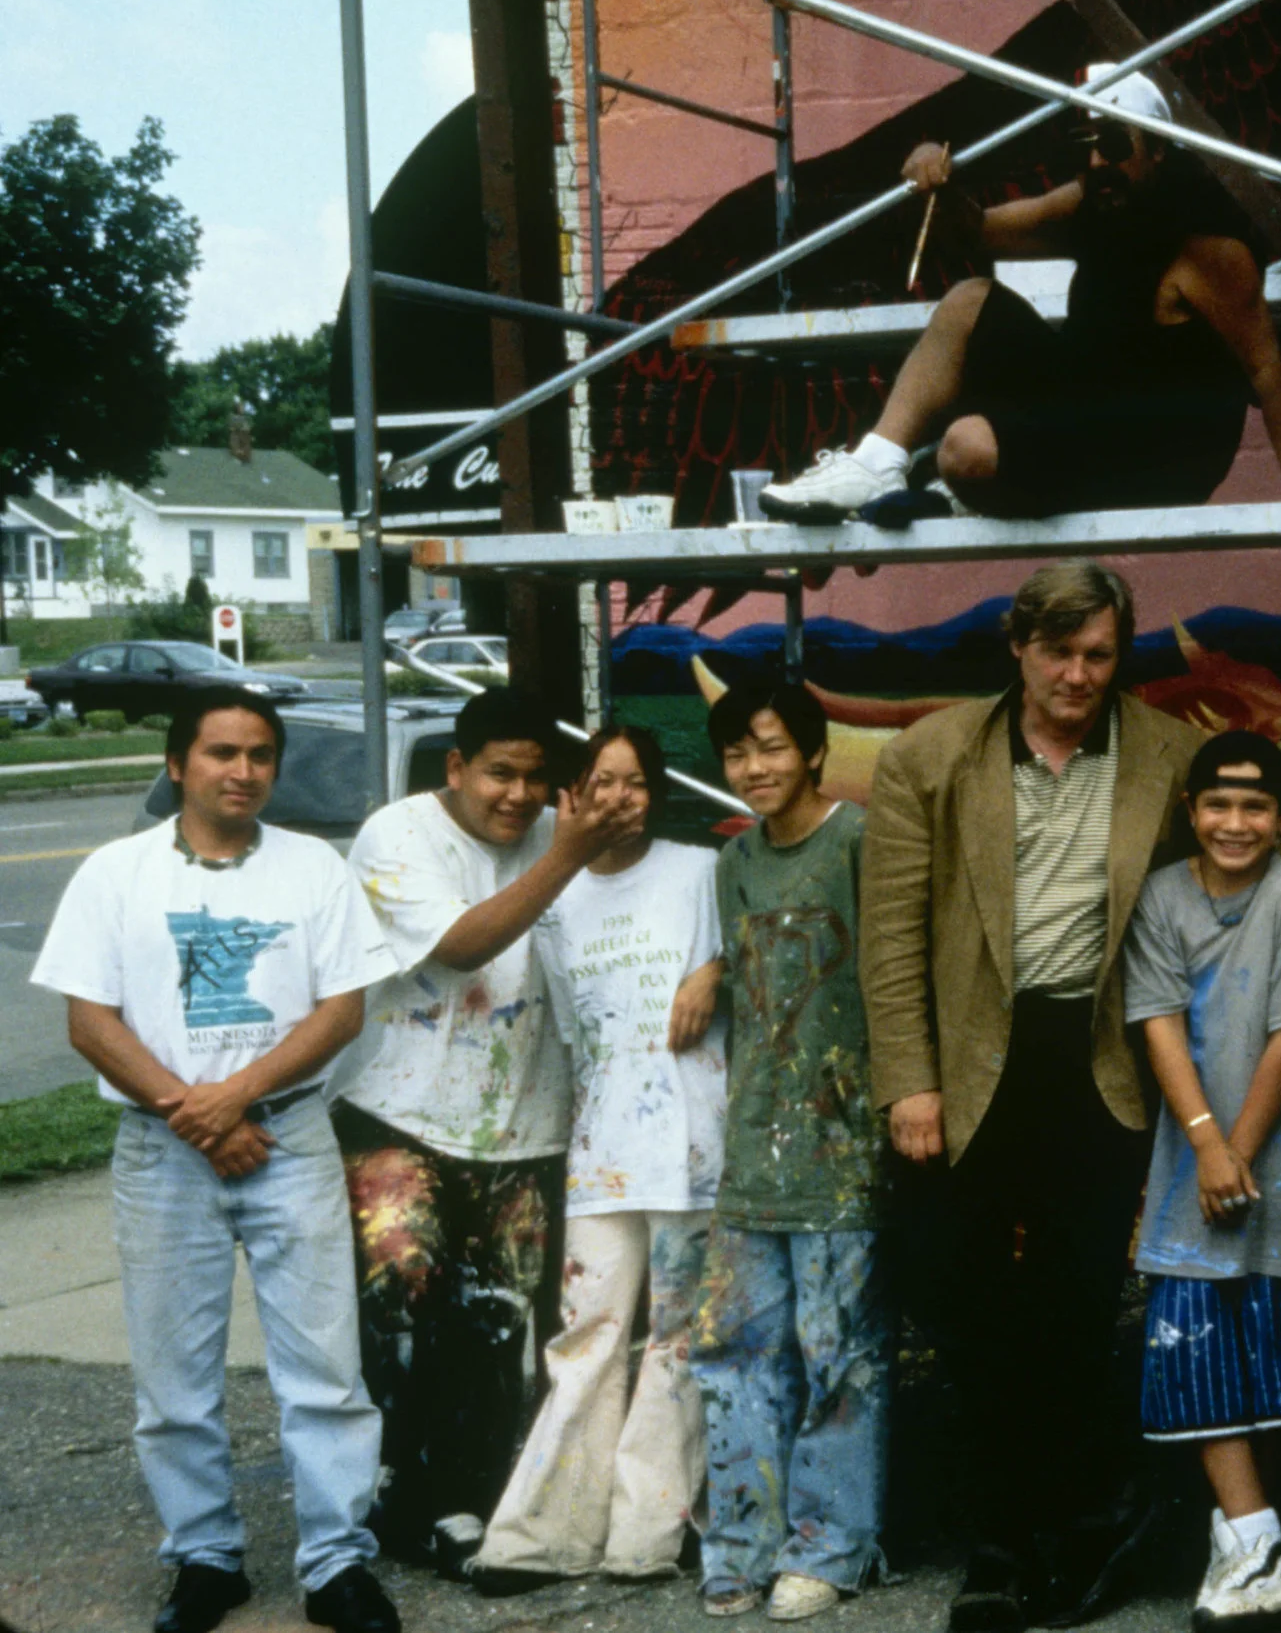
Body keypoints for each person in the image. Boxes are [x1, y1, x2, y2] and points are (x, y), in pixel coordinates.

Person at [862, 560, 1205, 1631]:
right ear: (1018, 646)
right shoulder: (930, 756)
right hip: (967, 1058)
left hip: (1097, 1061)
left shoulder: (1170, 753)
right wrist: (909, 1084)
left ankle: (1041, 1546)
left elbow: (1235, 868)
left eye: (1098, 654)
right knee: (956, 1298)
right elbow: (890, 936)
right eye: (1057, 651)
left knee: (1071, 1309)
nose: (1077, 674)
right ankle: (1019, 1531)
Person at [31, 687, 403, 1633]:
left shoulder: (311, 870)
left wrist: (237, 1098)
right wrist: (196, 1115)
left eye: (260, 756)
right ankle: (204, 1557)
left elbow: (341, 1010)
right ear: (177, 764)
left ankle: (336, 1565)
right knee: (173, 1375)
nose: (243, 772)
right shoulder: (116, 874)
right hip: (164, 1153)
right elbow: (88, 1019)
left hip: (288, 1139)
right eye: (221, 753)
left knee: (323, 1365)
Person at [330, 687, 639, 1575]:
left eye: (539, 779)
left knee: (501, 1321)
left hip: (528, 1125)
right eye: (499, 773)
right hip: (399, 1115)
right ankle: (396, 1487)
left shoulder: (564, 831)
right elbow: (462, 946)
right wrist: (571, 848)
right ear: (456, 768)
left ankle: (464, 1502)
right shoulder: (398, 836)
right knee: (405, 1297)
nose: (519, 795)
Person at [760, 70, 1281, 522]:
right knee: (970, 298)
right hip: (1084, 416)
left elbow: (1267, 370)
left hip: (1159, 455)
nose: (1099, 162)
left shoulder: (1207, 247)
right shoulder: (1091, 202)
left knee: (967, 448)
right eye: (1088, 146)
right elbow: (976, 232)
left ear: (1157, 152)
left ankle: (947, 484)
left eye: (1113, 144)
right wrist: (938, 179)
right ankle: (879, 464)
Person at [470, 725, 729, 1597]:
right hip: (601, 1145)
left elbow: (766, 937)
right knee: (586, 1333)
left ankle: (646, 1530)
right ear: (569, 797)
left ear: (656, 792)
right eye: (601, 783)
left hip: (695, 1144)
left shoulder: (701, 873)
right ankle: (543, 1532)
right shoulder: (553, 902)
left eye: (635, 783)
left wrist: (716, 970)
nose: (619, 799)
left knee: (678, 1339)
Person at [1124, 729, 1281, 1628]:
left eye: (1256, 805)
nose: (1236, 822)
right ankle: (1255, 1543)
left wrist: (1238, 1153)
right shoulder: (1163, 896)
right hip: (1189, 1159)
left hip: (1279, 1160)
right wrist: (1207, 1147)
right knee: (1192, 1346)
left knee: (1267, 1348)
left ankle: (1257, 1546)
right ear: (1190, 811)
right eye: (1218, 804)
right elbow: (1160, 1023)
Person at [692, 683, 889, 1620]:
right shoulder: (732, 863)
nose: (754, 770)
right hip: (751, 1146)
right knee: (735, 1349)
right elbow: (739, 970)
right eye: (736, 755)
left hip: (842, 1149)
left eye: (771, 748)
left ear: (813, 751)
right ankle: (741, 1541)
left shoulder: (860, 841)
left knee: (837, 1353)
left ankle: (834, 1544)